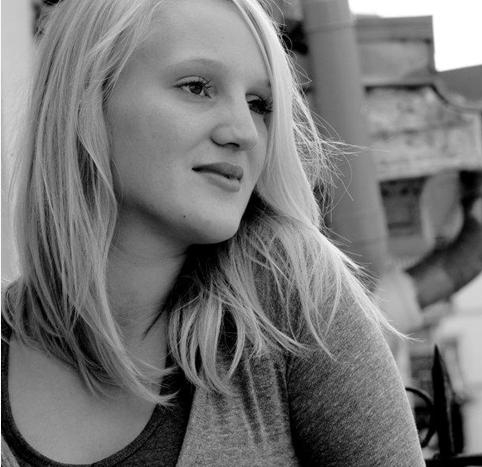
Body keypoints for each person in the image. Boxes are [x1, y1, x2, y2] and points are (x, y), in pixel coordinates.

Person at [1, 0, 425, 465]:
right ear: (86, 100)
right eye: (197, 87)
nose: (245, 132)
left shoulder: (291, 299)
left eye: (259, 104)